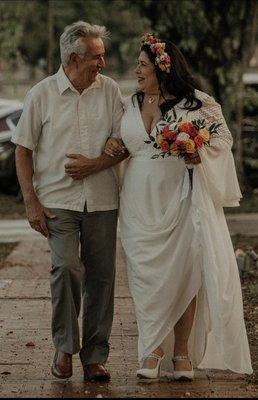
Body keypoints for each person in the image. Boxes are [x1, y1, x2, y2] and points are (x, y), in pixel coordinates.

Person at [105, 33, 253, 380]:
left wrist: (196, 151)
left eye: (142, 65)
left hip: (182, 198)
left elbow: (222, 140)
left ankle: (181, 353)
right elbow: (118, 138)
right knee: (146, 278)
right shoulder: (128, 104)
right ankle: (152, 348)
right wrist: (113, 141)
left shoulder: (197, 104)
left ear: (161, 67)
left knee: (186, 273)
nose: (137, 70)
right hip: (139, 202)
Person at [12, 21, 128, 382]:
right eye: (97, 57)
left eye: (102, 56)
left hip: (103, 199)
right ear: (75, 58)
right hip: (57, 201)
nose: (102, 64)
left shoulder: (110, 91)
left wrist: (99, 161)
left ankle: (95, 356)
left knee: (102, 278)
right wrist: (30, 200)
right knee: (66, 269)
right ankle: (65, 346)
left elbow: (124, 140)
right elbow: (22, 149)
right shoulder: (41, 94)